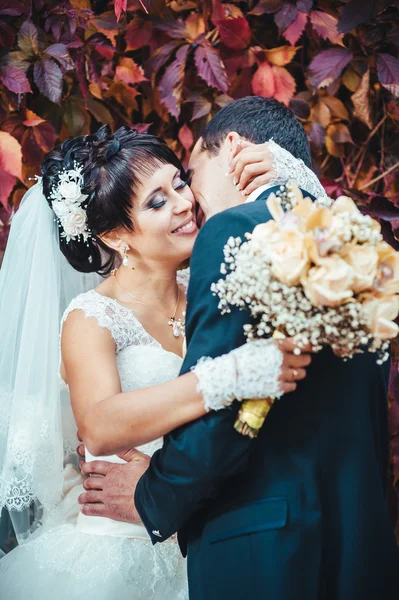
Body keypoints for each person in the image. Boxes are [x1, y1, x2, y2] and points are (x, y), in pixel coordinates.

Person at [80, 97, 399, 600]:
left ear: (232, 147)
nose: (190, 201)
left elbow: (231, 420)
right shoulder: (360, 248)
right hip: (360, 544)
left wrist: (151, 495)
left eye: (187, 177)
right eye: (158, 199)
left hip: (262, 549)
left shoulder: (234, 233)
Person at [0, 109, 320, 599]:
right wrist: (228, 376)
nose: (184, 204)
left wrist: (294, 185)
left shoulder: (214, 283)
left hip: (209, 535)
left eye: (179, 184)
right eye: (156, 202)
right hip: (121, 555)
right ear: (114, 236)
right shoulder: (91, 317)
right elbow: (99, 426)